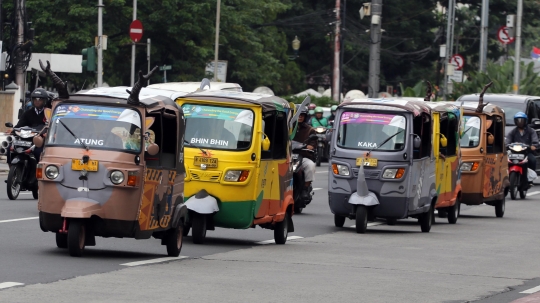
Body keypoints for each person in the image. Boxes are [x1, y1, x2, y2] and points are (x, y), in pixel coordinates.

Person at [506, 112, 539, 186]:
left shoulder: (531, 131)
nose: (520, 122)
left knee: (532, 160)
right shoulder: (513, 131)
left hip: (526, 152)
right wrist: (506, 145)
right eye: (518, 120)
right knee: (506, 161)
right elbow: (507, 140)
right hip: (514, 153)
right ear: (515, 121)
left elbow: (535, 141)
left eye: (522, 120)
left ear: (525, 121)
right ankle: (506, 177)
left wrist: (533, 146)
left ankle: (530, 179)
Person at [293, 108, 317, 199]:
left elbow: (313, 144)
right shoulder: (289, 127)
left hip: (303, 156)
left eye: (302, 115)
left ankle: (305, 189)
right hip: (288, 156)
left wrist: (307, 146)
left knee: (310, 166)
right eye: (298, 115)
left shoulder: (310, 130)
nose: (300, 117)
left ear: (305, 117)